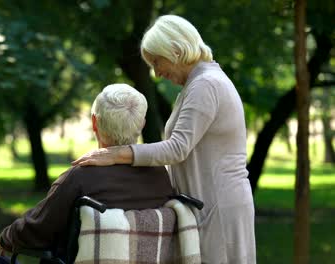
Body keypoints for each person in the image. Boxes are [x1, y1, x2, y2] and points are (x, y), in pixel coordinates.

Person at [72, 15, 256, 264]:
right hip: (208, 205)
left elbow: (177, 148)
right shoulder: (195, 85)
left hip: (219, 209)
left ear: (177, 50)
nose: (157, 73)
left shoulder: (206, 85)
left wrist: (116, 154)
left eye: (157, 62)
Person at [0, 84, 174, 264]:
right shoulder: (161, 177)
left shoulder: (80, 178)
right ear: (142, 125)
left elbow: (38, 229)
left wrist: (6, 237)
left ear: (94, 122)